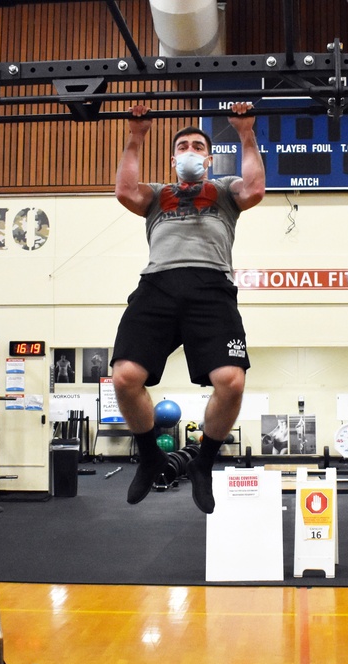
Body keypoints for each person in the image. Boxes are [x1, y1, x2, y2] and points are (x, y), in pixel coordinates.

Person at [112, 101, 265, 514]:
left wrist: (246, 132)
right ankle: (149, 457)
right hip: (158, 284)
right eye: (183, 146)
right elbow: (125, 190)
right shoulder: (159, 195)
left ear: (209, 158)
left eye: (198, 146)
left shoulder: (226, 189)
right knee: (125, 377)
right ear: (174, 157)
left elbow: (255, 189)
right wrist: (136, 136)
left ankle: (203, 464)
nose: (191, 151)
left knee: (231, 381)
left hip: (211, 286)